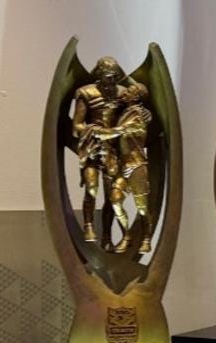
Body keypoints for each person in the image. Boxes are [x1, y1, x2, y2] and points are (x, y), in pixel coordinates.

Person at [73, 57, 152, 253]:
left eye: (115, 77)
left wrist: (144, 114)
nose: (112, 82)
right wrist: (92, 131)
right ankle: (89, 225)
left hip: (114, 151)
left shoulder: (122, 94)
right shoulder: (86, 92)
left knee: (112, 196)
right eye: (108, 77)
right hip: (93, 146)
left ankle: (109, 237)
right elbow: (77, 125)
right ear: (99, 75)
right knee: (91, 187)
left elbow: (136, 111)